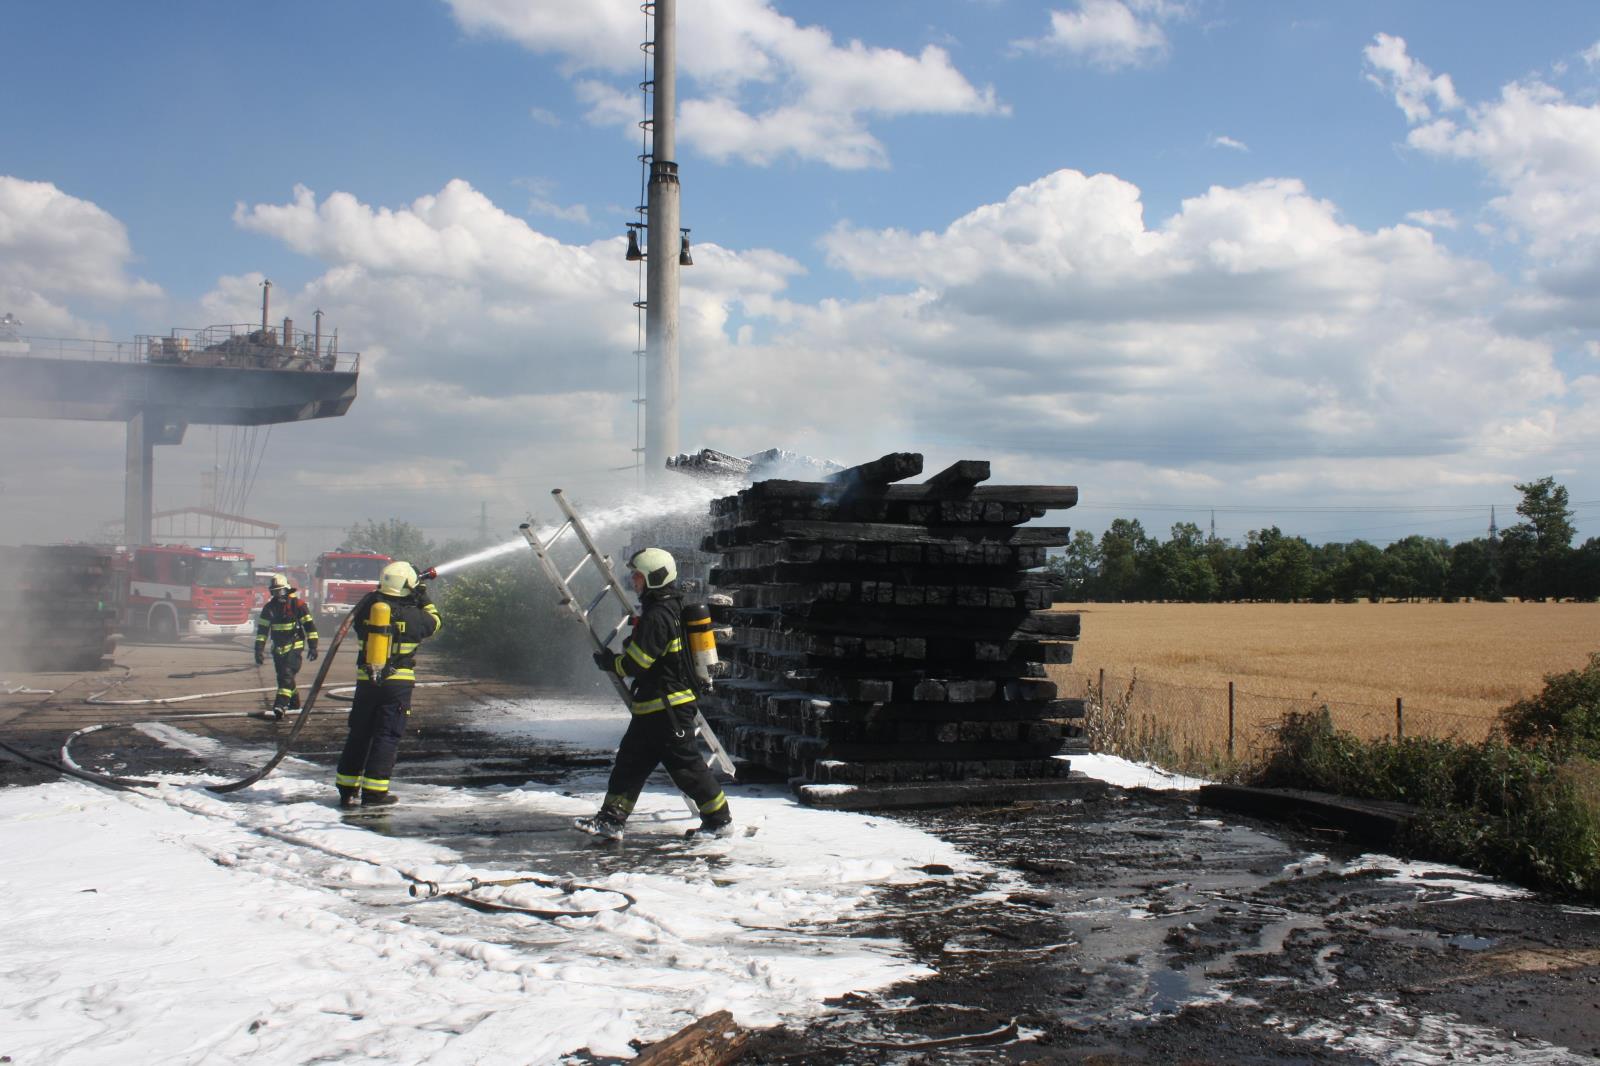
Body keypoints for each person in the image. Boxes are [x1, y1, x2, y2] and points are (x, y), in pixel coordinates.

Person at [576, 547, 733, 841]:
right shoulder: (661, 609)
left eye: (638, 575)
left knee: (686, 767)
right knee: (630, 763)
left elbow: (637, 662)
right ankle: (611, 820)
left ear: (653, 577)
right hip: (653, 707)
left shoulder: (658, 615)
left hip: (668, 707)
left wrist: (611, 663)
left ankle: (719, 821)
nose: (633, 581)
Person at [334, 561, 442, 808]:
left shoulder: (367, 609)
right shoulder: (415, 615)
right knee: (386, 735)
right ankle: (375, 793)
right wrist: (422, 596)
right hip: (397, 683)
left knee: (359, 734)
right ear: (409, 587)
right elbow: (436, 622)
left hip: (366, 681)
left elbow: (365, 607)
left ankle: (347, 789)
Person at [254, 573, 318, 719]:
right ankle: (294, 704)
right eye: (275, 592)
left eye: (281, 591)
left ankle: (280, 705)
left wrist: (313, 646)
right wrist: (258, 650)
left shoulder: (298, 605)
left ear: (287, 590)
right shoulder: (269, 608)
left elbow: (310, 626)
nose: (278, 595)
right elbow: (262, 632)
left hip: (295, 646)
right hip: (278, 649)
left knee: (286, 675)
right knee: (284, 678)